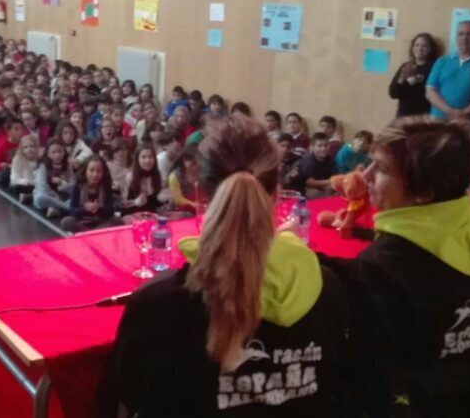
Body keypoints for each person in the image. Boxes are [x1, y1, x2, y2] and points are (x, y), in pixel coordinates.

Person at [108, 116, 350, 416]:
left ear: (200, 194)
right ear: (276, 195)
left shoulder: (155, 305)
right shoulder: (329, 290)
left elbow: (129, 393)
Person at [322, 116, 470, 416]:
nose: (366, 175)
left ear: (424, 193)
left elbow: (370, 376)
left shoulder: (379, 266)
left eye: (383, 169)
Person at [426, 21, 470, 137]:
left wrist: (464, 114)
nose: (464, 38)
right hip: (439, 122)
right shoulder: (442, 61)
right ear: (456, 37)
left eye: (469, 34)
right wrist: (450, 111)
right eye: (461, 34)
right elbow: (430, 91)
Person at [60, 155, 116, 233]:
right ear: (85, 171)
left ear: (103, 172)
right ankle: (93, 234)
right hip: (82, 223)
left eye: (99, 171)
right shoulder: (78, 186)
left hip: (101, 223)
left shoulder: (106, 187)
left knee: (117, 221)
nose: (95, 174)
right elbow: (72, 211)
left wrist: (97, 210)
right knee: (66, 221)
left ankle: (89, 234)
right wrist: (84, 208)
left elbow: (110, 213)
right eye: (91, 170)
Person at [389, 32, 438, 117]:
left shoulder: (434, 68)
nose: (420, 48)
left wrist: (413, 79)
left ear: (430, 49)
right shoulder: (405, 66)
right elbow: (393, 94)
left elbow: (428, 94)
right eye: (417, 45)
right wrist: (401, 79)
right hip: (402, 116)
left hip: (422, 117)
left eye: (424, 46)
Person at [119, 143, 167, 215]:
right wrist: (135, 202)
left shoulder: (158, 176)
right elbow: (121, 204)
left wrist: (163, 200)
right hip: (132, 215)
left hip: (152, 216)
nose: (148, 160)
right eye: (143, 157)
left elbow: (158, 206)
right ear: (137, 159)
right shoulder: (129, 177)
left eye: (150, 157)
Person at [286, 133, 336, 198]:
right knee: (313, 193)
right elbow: (310, 183)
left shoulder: (330, 160)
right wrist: (331, 181)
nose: (323, 149)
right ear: (312, 147)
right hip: (302, 190)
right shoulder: (308, 161)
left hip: (320, 186)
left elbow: (333, 176)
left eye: (326, 145)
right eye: (319, 146)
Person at [33, 139, 74, 218]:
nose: (57, 155)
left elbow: (72, 186)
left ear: (64, 152)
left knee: (76, 196)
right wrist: (56, 197)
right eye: (53, 152)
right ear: (48, 154)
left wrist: (60, 182)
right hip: (49, 197)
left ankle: (55, 208)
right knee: (40, 197)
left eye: (60, 151)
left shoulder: (67, 165)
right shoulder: (43, 166)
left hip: (63, 196)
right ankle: (66, 208)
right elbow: (42, 188)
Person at [9, 134, 40, 203]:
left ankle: (29, 196)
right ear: (21, 149)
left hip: (35, 184)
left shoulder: (39, 159)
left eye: (32, 146)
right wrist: (24, 181)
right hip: (24, 184)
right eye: (25, 147)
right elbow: (14, 179)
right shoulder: (17, 159)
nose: (29, 149)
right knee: (17, 188)